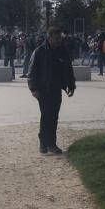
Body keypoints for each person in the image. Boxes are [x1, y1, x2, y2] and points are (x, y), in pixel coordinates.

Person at [27, 26, 76, 154]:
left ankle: (51, 143)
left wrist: (71, 85)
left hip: (56, 88)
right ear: (49, 37)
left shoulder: (62, 51)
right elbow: (31, 72)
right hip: (43, 89)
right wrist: (33, 88)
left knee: (54, 116)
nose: (59, 41)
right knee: (46, 115)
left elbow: (68, 69)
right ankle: (44, 142)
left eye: (60, 38)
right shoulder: (39, 51)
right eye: (56, 38)